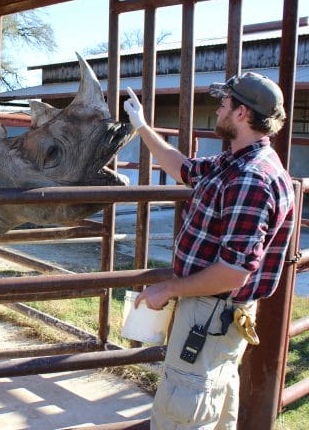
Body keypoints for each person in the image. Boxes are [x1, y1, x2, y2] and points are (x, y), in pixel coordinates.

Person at [123, 72, 296, 430]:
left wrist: (167, 288)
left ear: (242, 114)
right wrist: (141, 125)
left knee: (183, 410)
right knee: (213, 403)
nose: (218, 109)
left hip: (210, 313)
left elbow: (234, 271)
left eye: (224, 103)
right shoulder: (235, 163)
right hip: (217, 315)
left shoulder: (251, 178)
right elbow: (182, 167)